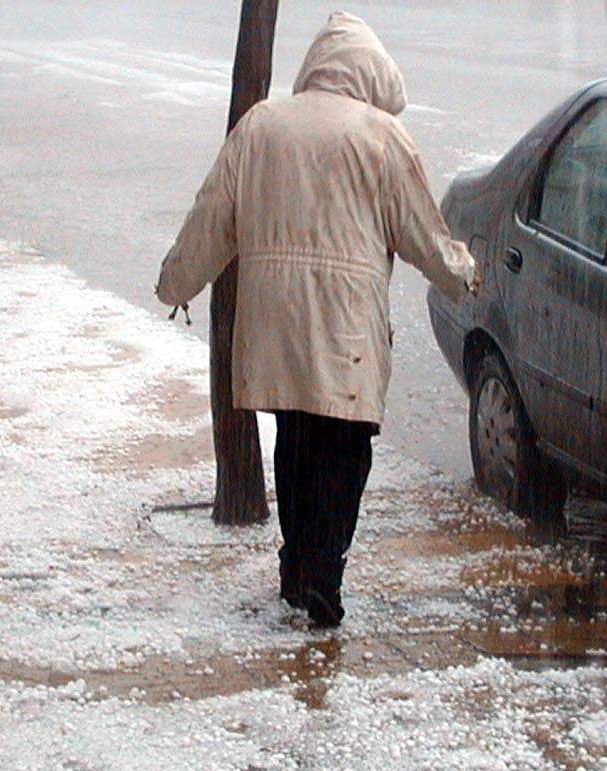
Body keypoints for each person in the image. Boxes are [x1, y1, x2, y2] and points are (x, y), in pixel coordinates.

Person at [157, 11, 478, 627]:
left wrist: (177, 282)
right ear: (373, 74)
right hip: (344, 328)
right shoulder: (381, 136)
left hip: (274, 325)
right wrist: (464, 273)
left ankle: (296, 570)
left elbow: (212, 216)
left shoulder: (262, 125)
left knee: (297, 441)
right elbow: (421, 233)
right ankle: (323, 577)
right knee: (344, 450)